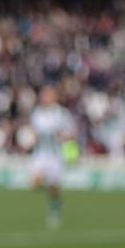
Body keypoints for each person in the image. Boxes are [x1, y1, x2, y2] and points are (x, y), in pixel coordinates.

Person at [28, 86, 73, 228]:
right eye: (43, 95)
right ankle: (51, 192)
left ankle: (55, 207)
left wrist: (62, 137)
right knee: (34, 183)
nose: (44, 98)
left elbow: (71, 133)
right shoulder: (37, 113)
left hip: (55, 155)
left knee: (54, 187)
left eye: (47, 95)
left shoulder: (61, 114)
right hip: (40, 153)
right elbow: (34, 132)